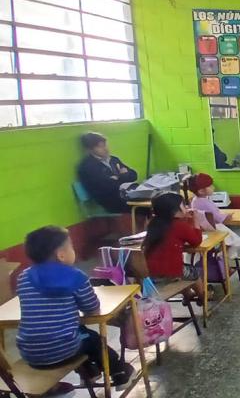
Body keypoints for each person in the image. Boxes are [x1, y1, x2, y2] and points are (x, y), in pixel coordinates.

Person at [17, 226, 133, 393]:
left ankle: (88, 373)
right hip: (65, 349)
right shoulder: (76, 277)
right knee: (92, 339)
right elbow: (92, 309)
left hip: (29, 352)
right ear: (61, 255)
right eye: (70, 246)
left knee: (78, 332)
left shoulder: (24, 277)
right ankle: (120, 373)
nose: (73, 249)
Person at [142, 193, 205, 302]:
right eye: (183, 205)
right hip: (169, 274)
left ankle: (188, 294)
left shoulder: (153, 223)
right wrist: (196, 220)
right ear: (174, 210)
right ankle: (202, 296)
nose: (186, 207)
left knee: (182, 268)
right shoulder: (179, 225)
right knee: (193, 271)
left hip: (150, 273)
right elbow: (196, 241)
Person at [77, 132, 138, 213]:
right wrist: (123, 176)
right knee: (145, 206)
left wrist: (121, 176)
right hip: (110, 200)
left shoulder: (113, 160)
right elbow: (106, 187)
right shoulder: (88, 166)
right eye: (100, 147)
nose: (105, 149)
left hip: (124, 194)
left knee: (151, 198)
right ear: (90, 150)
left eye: (105, 145)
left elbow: (134, 175)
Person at [188, 173, 240, 259]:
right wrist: (229, 216)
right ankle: (221, 259)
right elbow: (221, 219)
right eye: (210, 186)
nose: (213, 187)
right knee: (237, 242)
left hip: (204, 229)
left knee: (229, 242)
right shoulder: (206, 203)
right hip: (214, 228)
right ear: (201, 191)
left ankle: (220, 256)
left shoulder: (194, 200)